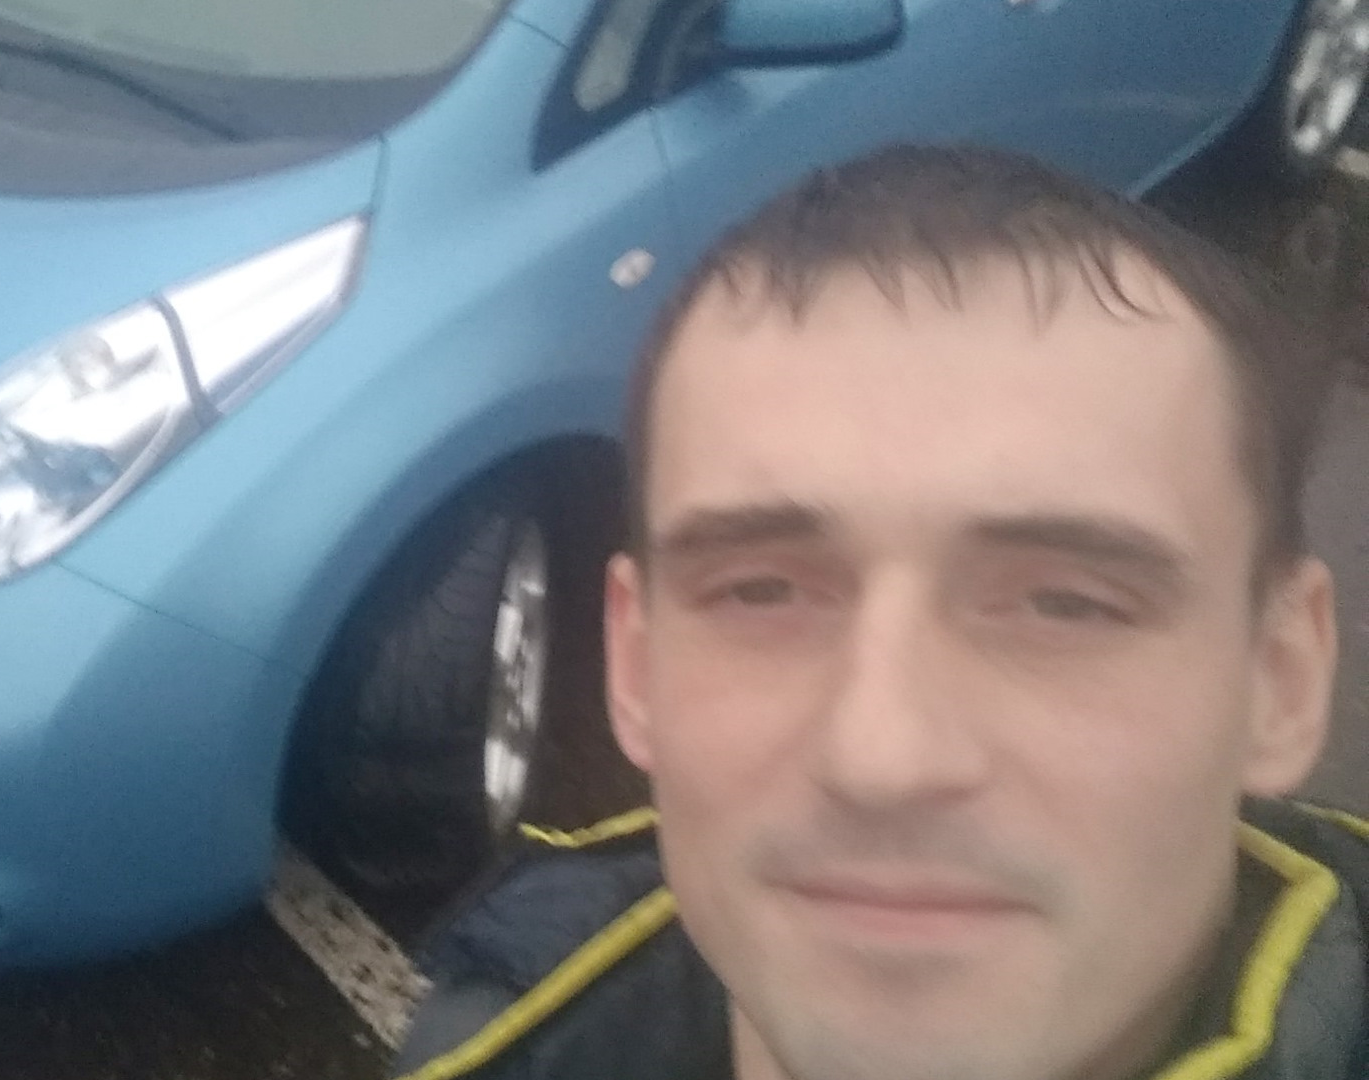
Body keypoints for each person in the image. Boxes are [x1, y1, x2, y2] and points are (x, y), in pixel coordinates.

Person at [390, 145, 1369, 1080]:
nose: (882, 757)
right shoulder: (480, 1029)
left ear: (1279, 680)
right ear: (635, 666)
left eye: (1067, 604)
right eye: (760, 590)